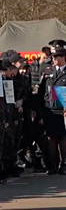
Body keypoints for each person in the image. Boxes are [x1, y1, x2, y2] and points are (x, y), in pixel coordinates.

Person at [40, 46, 66, 175]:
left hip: (63, 110)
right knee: (51, 137)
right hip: (50, 108)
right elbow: (42, 91)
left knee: (63, 138)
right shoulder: (48, 71)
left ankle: (64, 164)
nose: (54, 59)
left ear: (63, 57)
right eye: (53, 57)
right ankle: (52, 164)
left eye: (57, 57)